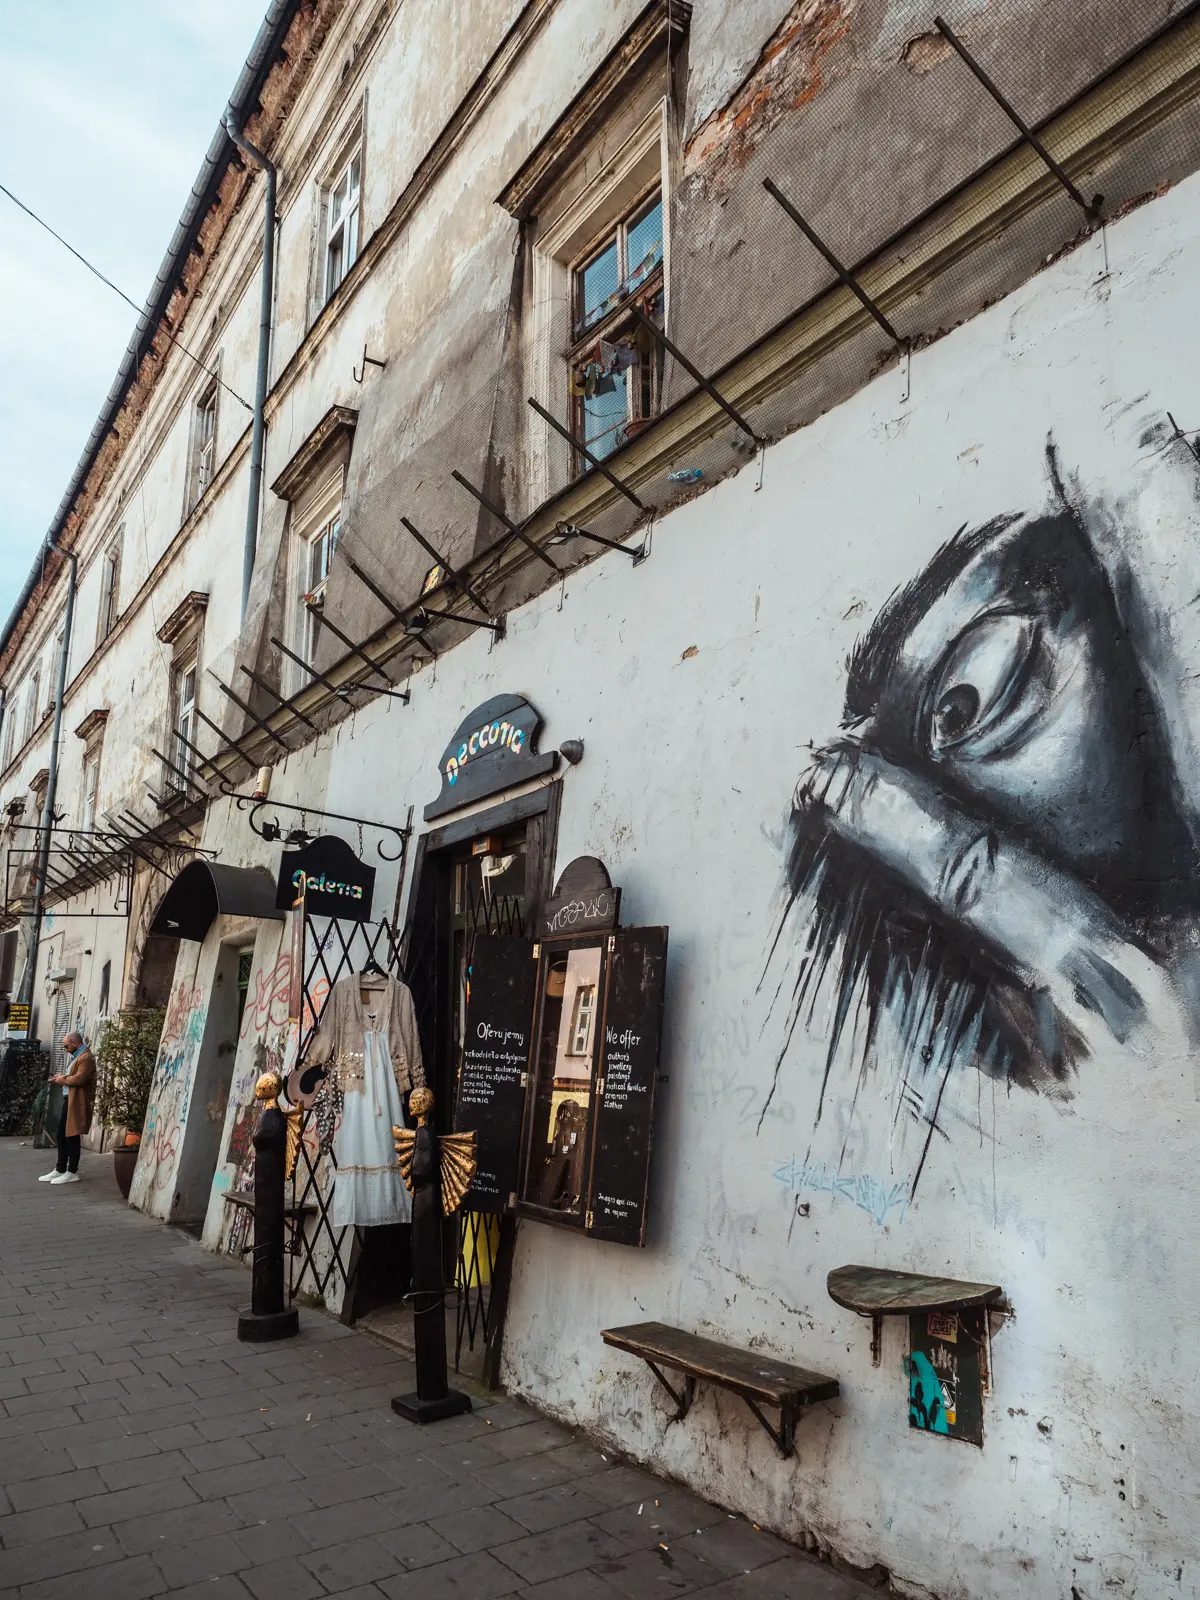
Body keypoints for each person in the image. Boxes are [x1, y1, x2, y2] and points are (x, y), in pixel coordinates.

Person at [39, 1032, 95, 1186]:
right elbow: (73, 1076)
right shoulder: (78, 1057)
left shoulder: (86, 1058)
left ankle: (72, 1171)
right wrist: (61, 1077)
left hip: (76, 1101)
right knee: (62, 1134)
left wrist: (61, 1079)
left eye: (66, 1046)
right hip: (69, 1100)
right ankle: (60, 1168)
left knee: (71, 1135)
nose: (65, 1049)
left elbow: (79, 1079)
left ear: (74, 1043)